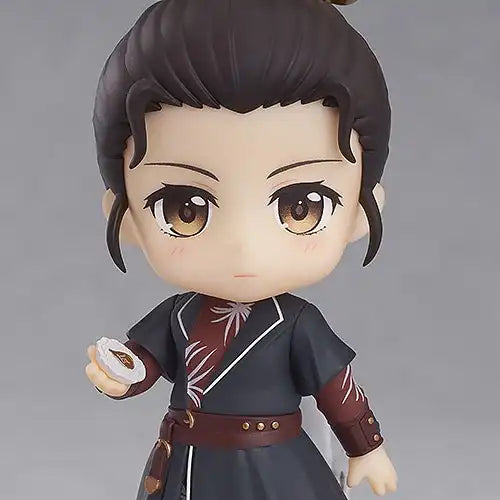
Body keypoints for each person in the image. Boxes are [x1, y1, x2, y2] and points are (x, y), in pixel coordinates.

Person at [85, 0, 398, 498]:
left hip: (273, 465)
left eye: (301, 207)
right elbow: (147, 360)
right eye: (184, 208)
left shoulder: (296, 323)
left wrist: (367, 447)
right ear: (127, 220)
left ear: (360, 212)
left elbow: (338, 389)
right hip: (189, 464)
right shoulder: (179, 316)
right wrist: (122, 373)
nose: (243, 246)